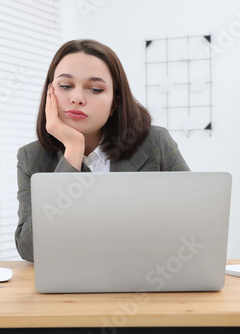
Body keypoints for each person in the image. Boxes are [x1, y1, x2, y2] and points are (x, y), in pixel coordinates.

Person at [15, 39, 190, 262]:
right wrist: (73, 150)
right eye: (65, 86)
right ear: (50, 94)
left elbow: (195, 224)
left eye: (95, 89)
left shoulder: (156, 143)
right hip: (70, 287)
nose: (77, 98)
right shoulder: (31, 158)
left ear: (114, 103)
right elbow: (30, 250)